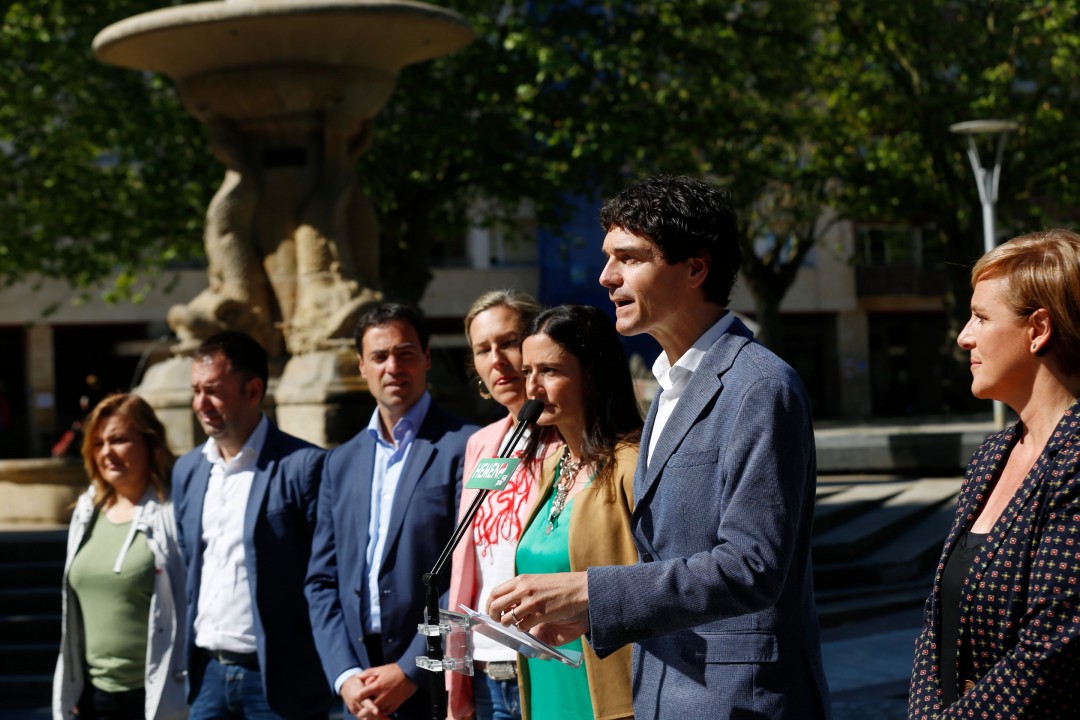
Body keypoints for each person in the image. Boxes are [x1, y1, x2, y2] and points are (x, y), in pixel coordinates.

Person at [487, 175, 831, 719]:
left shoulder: (760, 385)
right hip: (664, 693)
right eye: (608, 258)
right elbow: (669, 558)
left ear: (695, 269)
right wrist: (593, 616)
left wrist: (591, 591)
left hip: (738, 702)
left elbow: (752, 566)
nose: (606, 277)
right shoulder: (670, 386)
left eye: (628, 258)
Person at [908, 229, 1080, 718]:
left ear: (1038, 329)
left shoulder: (1075, 459)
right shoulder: (993, 455)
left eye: (981, 317)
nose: (964, 336)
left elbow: (1055, 650)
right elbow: (937, 623)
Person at [305, 303, 477, 720]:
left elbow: (467, 573)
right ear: (362, 366)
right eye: (380, 357)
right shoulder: (339, 462)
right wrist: (345, 675)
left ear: (427, 358)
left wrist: (412, 668)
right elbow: (322, 581)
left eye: (405, 354)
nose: (393, 367)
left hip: (433, 679)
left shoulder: (466, 446)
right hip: (359, 685)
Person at [172, 331, 331, 719]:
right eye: (196, 390)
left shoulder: (304, 466)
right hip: (208, 675)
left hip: (279, 682)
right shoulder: (188, 470)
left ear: (253, 390)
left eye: (213, 391)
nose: (200, 403)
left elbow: (325, 577)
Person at [513, 304, 642, 719]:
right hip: (546, 688)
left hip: (612, 697)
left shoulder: (634, 466)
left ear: (593, 375)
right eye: (527, 372)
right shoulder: (553, 465)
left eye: (549, 371)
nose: (533, 387)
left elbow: (668, 581)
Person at [53, 393, 187, 720]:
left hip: (156, 696)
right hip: (93, 697)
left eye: (118, 440)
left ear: (149, 443)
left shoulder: (173, 512)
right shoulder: (87, 511)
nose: (106, 452)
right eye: (98, 443)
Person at [447, 290, 548, 720]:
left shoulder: (569, 438)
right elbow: (464, 571)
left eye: (508, 343)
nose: (497, 360)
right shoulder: (482, 443)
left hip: (546, 667)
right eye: (483, 349)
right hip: (485, 672)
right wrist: (456, 679)